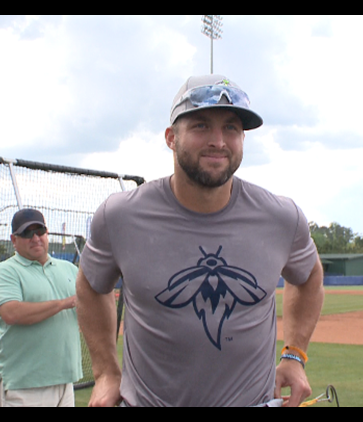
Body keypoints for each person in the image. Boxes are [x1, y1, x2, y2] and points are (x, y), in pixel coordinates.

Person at [76, 74, 325, 407]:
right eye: (201, 126)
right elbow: (91, 286)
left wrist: (295, 355)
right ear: (170, 137)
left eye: (231, 128)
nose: (218, 141)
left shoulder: (280, 217)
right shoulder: (120, 216)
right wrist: (106, 371)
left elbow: (309, 276)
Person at [0, 208, 83, 407]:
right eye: (27, 233)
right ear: (14, 240)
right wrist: (64, 303)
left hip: (65, 380)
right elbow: (12, 313)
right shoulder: (6, 271)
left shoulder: (69, 269)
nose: (35, 238)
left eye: (39, 231)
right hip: (24, 385)